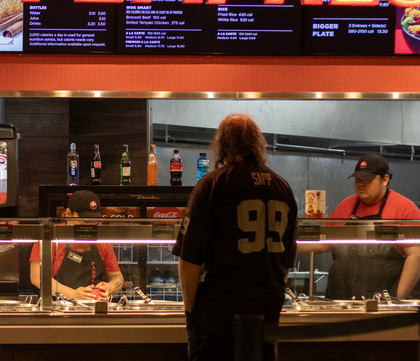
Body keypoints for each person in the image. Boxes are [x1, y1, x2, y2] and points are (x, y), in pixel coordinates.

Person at [173, 114, 297, 361]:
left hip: (219, 320)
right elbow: (286, 264)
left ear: (222, 144)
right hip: (266, 318)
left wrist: (192, 315)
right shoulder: (283, 187)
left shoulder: (212, 185)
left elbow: (189, 261)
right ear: (258, 144)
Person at [301, 154, 420, 300]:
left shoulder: (404, 209)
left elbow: (415, 256)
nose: (361, 183)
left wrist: (396, 300)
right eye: (358, 179)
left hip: (382, 304)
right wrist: (290, 245)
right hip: (341, 301)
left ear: (385, 179)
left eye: (368, 179)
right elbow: (324, 243)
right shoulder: (347, 205)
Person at [29, 190, 124, 301]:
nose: (90, 226)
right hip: (58, 309)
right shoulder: (50, 237)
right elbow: (37, 277)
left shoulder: (101, 242)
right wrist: (73, 294)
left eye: (95, 222)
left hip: (93, 309)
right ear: (68, 214)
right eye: (85, 222)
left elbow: (117, 277)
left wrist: (110, 287)